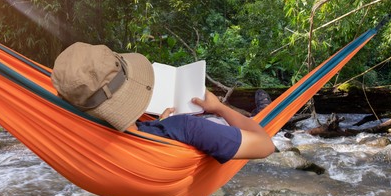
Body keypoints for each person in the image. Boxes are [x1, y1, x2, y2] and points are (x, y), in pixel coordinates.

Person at [51, 42, 275, 164]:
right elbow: (265, 145)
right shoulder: (186, 127)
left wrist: (158, 124)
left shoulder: (81, 132)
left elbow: (132, 134)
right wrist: (219, 108)